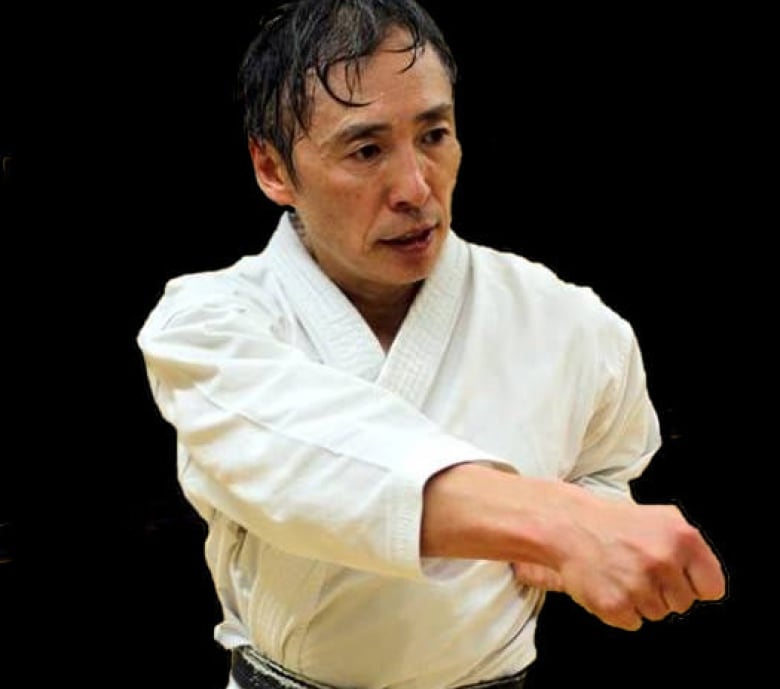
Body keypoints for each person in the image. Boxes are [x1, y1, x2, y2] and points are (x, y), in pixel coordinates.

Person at [136, 1, 726, 687]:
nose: (416, 188)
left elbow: (607, 467)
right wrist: (554, 522)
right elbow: (316, 461)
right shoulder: (207, 326)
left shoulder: (571, 324)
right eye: (365, 149)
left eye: (434, 135)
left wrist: (590, 525)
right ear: (272, 168)